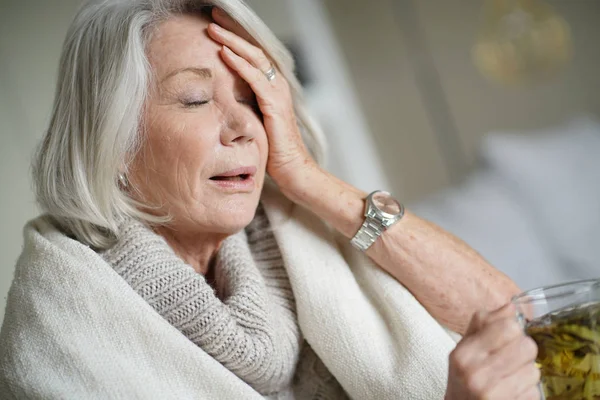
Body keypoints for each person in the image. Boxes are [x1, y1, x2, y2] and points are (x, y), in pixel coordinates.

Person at [0, 0, 540, 399]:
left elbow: (506, 316)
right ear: (112, 139)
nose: (243, 128)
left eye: (254, 100)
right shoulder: (64, 315)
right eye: (196, 98)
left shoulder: (291, 222)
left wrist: (308, 178)